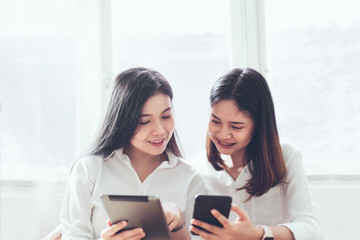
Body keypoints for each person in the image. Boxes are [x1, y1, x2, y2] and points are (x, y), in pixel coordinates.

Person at [58, 67, 205, 240]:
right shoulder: (89, 169)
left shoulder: (190, 178)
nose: (159, 131)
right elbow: (73, 235)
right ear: (123, 121)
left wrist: (179, 222)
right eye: (144, 121)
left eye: (166, 116)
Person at [190, 68, 323, 240]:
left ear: (259, 124)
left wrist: (258, 234)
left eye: (236, 126)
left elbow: (312, 230)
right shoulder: (198, 168)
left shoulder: (286, 158)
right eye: (215, 121)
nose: (223, 134)